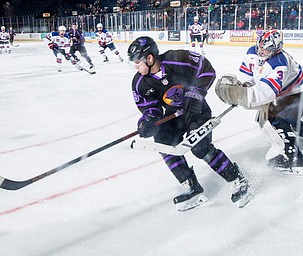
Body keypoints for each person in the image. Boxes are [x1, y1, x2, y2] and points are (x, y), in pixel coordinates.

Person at [127, 36, 250, 211]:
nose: (136, 66)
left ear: (150, 58)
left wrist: (196, 94)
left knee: (200, 148)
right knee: (164, 143)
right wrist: (148, 121)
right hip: (174, 115)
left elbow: (207, 70)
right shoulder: (139, 83)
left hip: (197, 110)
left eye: (138, 61)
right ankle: (192, 187)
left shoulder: (176, 59)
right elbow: (150, 108)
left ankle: (237, 179)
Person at [215, 30, 303, 174]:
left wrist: (243, 96)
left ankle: (294, 159)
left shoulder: (279, 63)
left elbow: (267, 93)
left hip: (297, 92)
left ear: (276, 50)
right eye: (260, 46)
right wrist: (241, 88)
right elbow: (247, 77)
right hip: (285, 92)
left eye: (267, 49)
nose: (262, 51)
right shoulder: (252, 52)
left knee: (271, 117)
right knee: (280, 118)